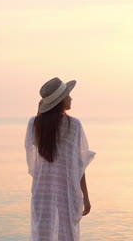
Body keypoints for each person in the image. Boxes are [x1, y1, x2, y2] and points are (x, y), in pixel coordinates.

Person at [25, 77, 96, 241]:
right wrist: (85, 197)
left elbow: (33, 161)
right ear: (60, 101)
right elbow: (80, 166)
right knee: (67, 234)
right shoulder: (74, 125)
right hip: (66, 190)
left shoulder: (34, 124)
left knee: (42, 235)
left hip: (42, 191)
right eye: (68, 95)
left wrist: (40, 110)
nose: (71, 98)